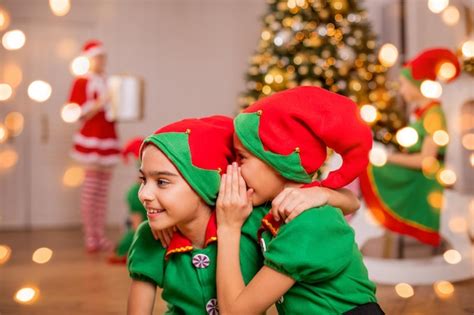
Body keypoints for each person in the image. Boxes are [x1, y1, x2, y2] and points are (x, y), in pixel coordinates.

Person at [127, 115, 360, 314]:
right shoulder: (152, 235)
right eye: (143, 180)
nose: (144, 194)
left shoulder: (252, 219)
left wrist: (320, 194)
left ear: (205, 184)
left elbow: (349, 203)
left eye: (162, 182)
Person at [216, 86, 384, 314]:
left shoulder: (308, 223)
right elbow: (351, 201)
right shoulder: (293, 202)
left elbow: (235, 312)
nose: (233, 168)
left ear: (279, 160)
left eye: (242, 157)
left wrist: (228, 227)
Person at [359, 48, 461, 246]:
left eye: (404, 85)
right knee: (366, 164)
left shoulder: (433, 115)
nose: (402, 90)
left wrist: (386, 158)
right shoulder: (421, 114)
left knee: (367, 166)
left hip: (425, 177)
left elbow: (426, 160)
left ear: (419, 85)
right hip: (417, 172)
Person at [67, 40, 121, 252]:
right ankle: (90, 235)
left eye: (103, 57)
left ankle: (99, 235)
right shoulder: (82, 82)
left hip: (108, 135)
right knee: (91, 189)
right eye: (98, 57)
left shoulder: (108, 80)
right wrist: (103, 100)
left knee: (103, 189)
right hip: (92, 137)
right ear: (89, 59)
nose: (101, 61)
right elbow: (78, 111)